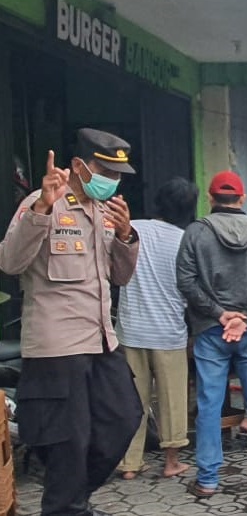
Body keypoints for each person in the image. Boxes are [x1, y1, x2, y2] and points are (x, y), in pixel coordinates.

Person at [0, 128, 142, 516]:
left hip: (101, 341)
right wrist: (43, 209)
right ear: (79, 165)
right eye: (104, 171)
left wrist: (127, 236)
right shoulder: (41, 203)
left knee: (124, 418)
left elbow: (120, 277)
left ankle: (70, 497)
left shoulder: (103, 213)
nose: (112, 181)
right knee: (69, 441)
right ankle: (67, 504)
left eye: (117, 175)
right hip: (57, 346)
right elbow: (10, 262)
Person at [176, 171, 247, 497]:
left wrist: (220, 314)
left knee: (209, 403)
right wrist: (246, 315)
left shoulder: (195, 233)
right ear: (242, 198)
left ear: (211, 198)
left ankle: (207, 479)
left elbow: (186, 280)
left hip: (210, 329)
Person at [116, 177, 199, 480]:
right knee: (172, 399)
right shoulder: (186, 240)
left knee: (132, 400)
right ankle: (171, 461)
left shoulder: (132, 229)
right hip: (168, 333)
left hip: (130, 330)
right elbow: (192, 289)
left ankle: (129, 463)